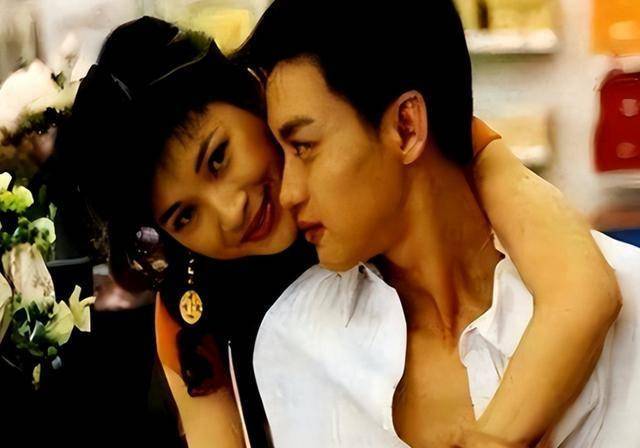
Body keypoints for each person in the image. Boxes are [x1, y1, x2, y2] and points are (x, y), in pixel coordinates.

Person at [54, 16, 620, 448]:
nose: (228, 212)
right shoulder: (190, 310)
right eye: (184, 217)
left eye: (219, 158)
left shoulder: (405, 141)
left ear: (250, 94)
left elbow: (583, 289)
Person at [240, 0, 638, 446]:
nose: (289, 193)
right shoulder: (296, 343)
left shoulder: (631, 301)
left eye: (303, 146)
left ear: (406, 126)